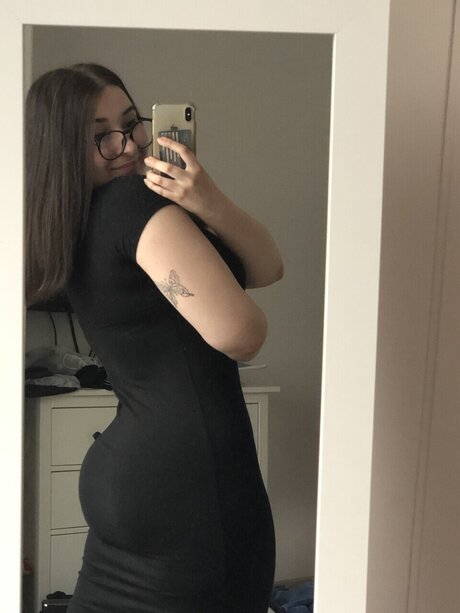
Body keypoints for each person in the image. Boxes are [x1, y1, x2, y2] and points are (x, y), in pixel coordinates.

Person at [25, 63, 284, 613]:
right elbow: (242, 335)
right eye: (100, 136)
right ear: (62, 150)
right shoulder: (131, 204)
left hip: (136, 475)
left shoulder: (73, 222)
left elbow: (267, 266)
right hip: (189, 483)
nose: (126, 145)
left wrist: (207, 199)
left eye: (131, 123)